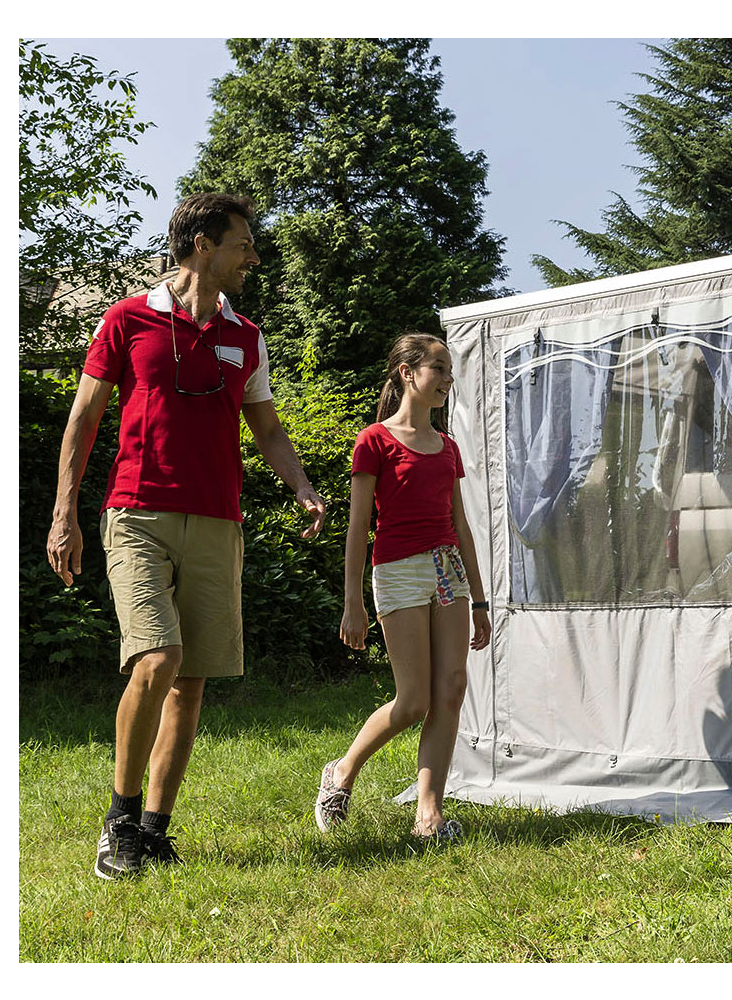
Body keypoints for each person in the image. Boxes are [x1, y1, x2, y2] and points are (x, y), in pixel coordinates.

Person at [46, 193, 327, 879]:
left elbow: (267, 429)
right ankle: (118, 819)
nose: (253, 257)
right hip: (137, 511)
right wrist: (63, 512)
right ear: (202, 244)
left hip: (216, 519)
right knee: (158, 657)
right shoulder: (128, 318)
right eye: (243, 244)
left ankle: (154, 832)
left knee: (191, 680)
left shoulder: (247, 337)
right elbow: (83, 419)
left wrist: (302, 485)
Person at [316, 332, 491, 842]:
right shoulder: (375, 440)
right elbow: (357, 525)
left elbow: (461, 525)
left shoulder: (448, 447)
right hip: (397, 571)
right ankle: (342, 771)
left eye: (448, 370)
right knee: (414, 700)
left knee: (451, 690)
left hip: (448, 573)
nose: (446, 379)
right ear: (407, 373)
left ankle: (428, 815)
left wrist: (479, 600)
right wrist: (353, 602)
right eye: (438, 368)